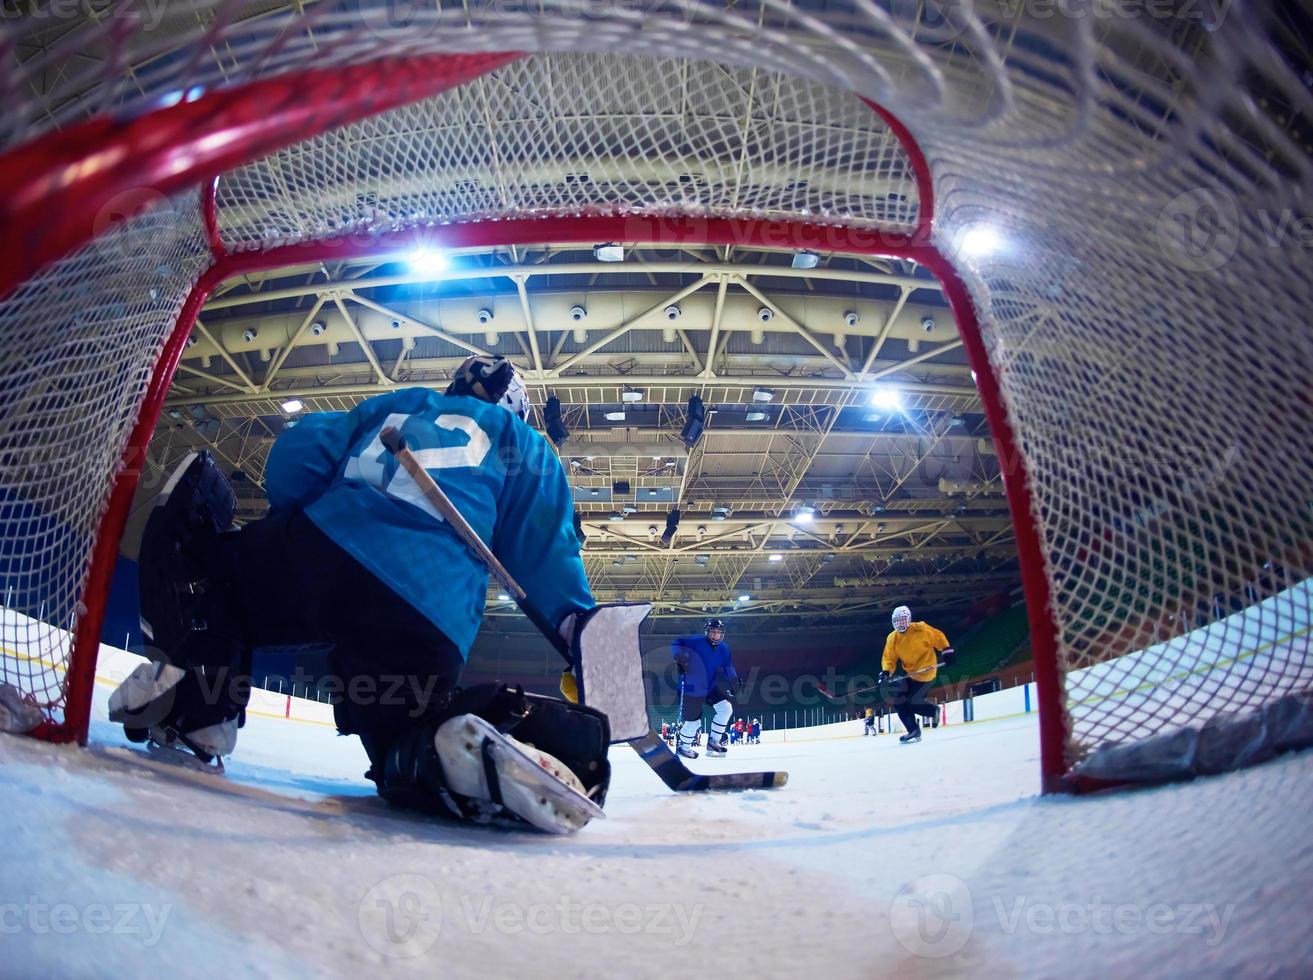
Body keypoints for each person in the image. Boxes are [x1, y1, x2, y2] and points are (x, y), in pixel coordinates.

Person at [109, 355, 611, 833]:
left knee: (214, 581)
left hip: (320, 549)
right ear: (519, 409)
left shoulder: (404, 403)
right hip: (425, 609)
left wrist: (302, 518)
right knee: (401, 738)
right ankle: (438, 747)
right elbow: (546, 546)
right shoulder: (524, 443)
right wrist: (574, 625)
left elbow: (294, 457)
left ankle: (197, 708)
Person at [880, 605, 954, 744]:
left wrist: (946, 650)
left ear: (909, 619)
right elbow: (889, 658)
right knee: (899, 702)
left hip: (926, 672)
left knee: (914, 703)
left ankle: (933, 711)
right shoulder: (892, 638)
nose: (900, 623)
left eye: (902, 620)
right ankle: (913, 730)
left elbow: (938, 637)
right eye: (897, 621)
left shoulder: (921, 629)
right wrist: (886, 671)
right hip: (909, 672)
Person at [671, 618, 743, 759]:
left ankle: (713, 742)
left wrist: (734, 681)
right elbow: (677, 642)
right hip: (691, 689)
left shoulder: (723, 649)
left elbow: (728, 667)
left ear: (722, 634)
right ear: (707, 632)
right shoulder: (697, 642)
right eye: (712, 632)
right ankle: (683, 747)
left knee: (726, 708)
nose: (715, 635)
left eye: (718, 632)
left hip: (709, 687)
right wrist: (680, 657)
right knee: (694, 723)